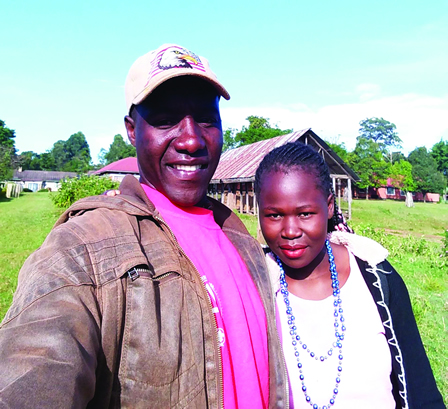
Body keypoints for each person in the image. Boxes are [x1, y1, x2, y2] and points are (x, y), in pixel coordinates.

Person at [0, 44, 288, 408]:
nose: (191, 139)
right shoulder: (84, 246)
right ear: (132, 131)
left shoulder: (238, 235)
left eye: (205, 118)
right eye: (166, 120)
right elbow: (34, 369)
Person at [254, 141, 444, 409]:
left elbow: (421, 389)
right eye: (274, 216)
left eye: (305, 213)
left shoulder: (377, 278)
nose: (290, 231)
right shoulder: (253, 287)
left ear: (329, 206)